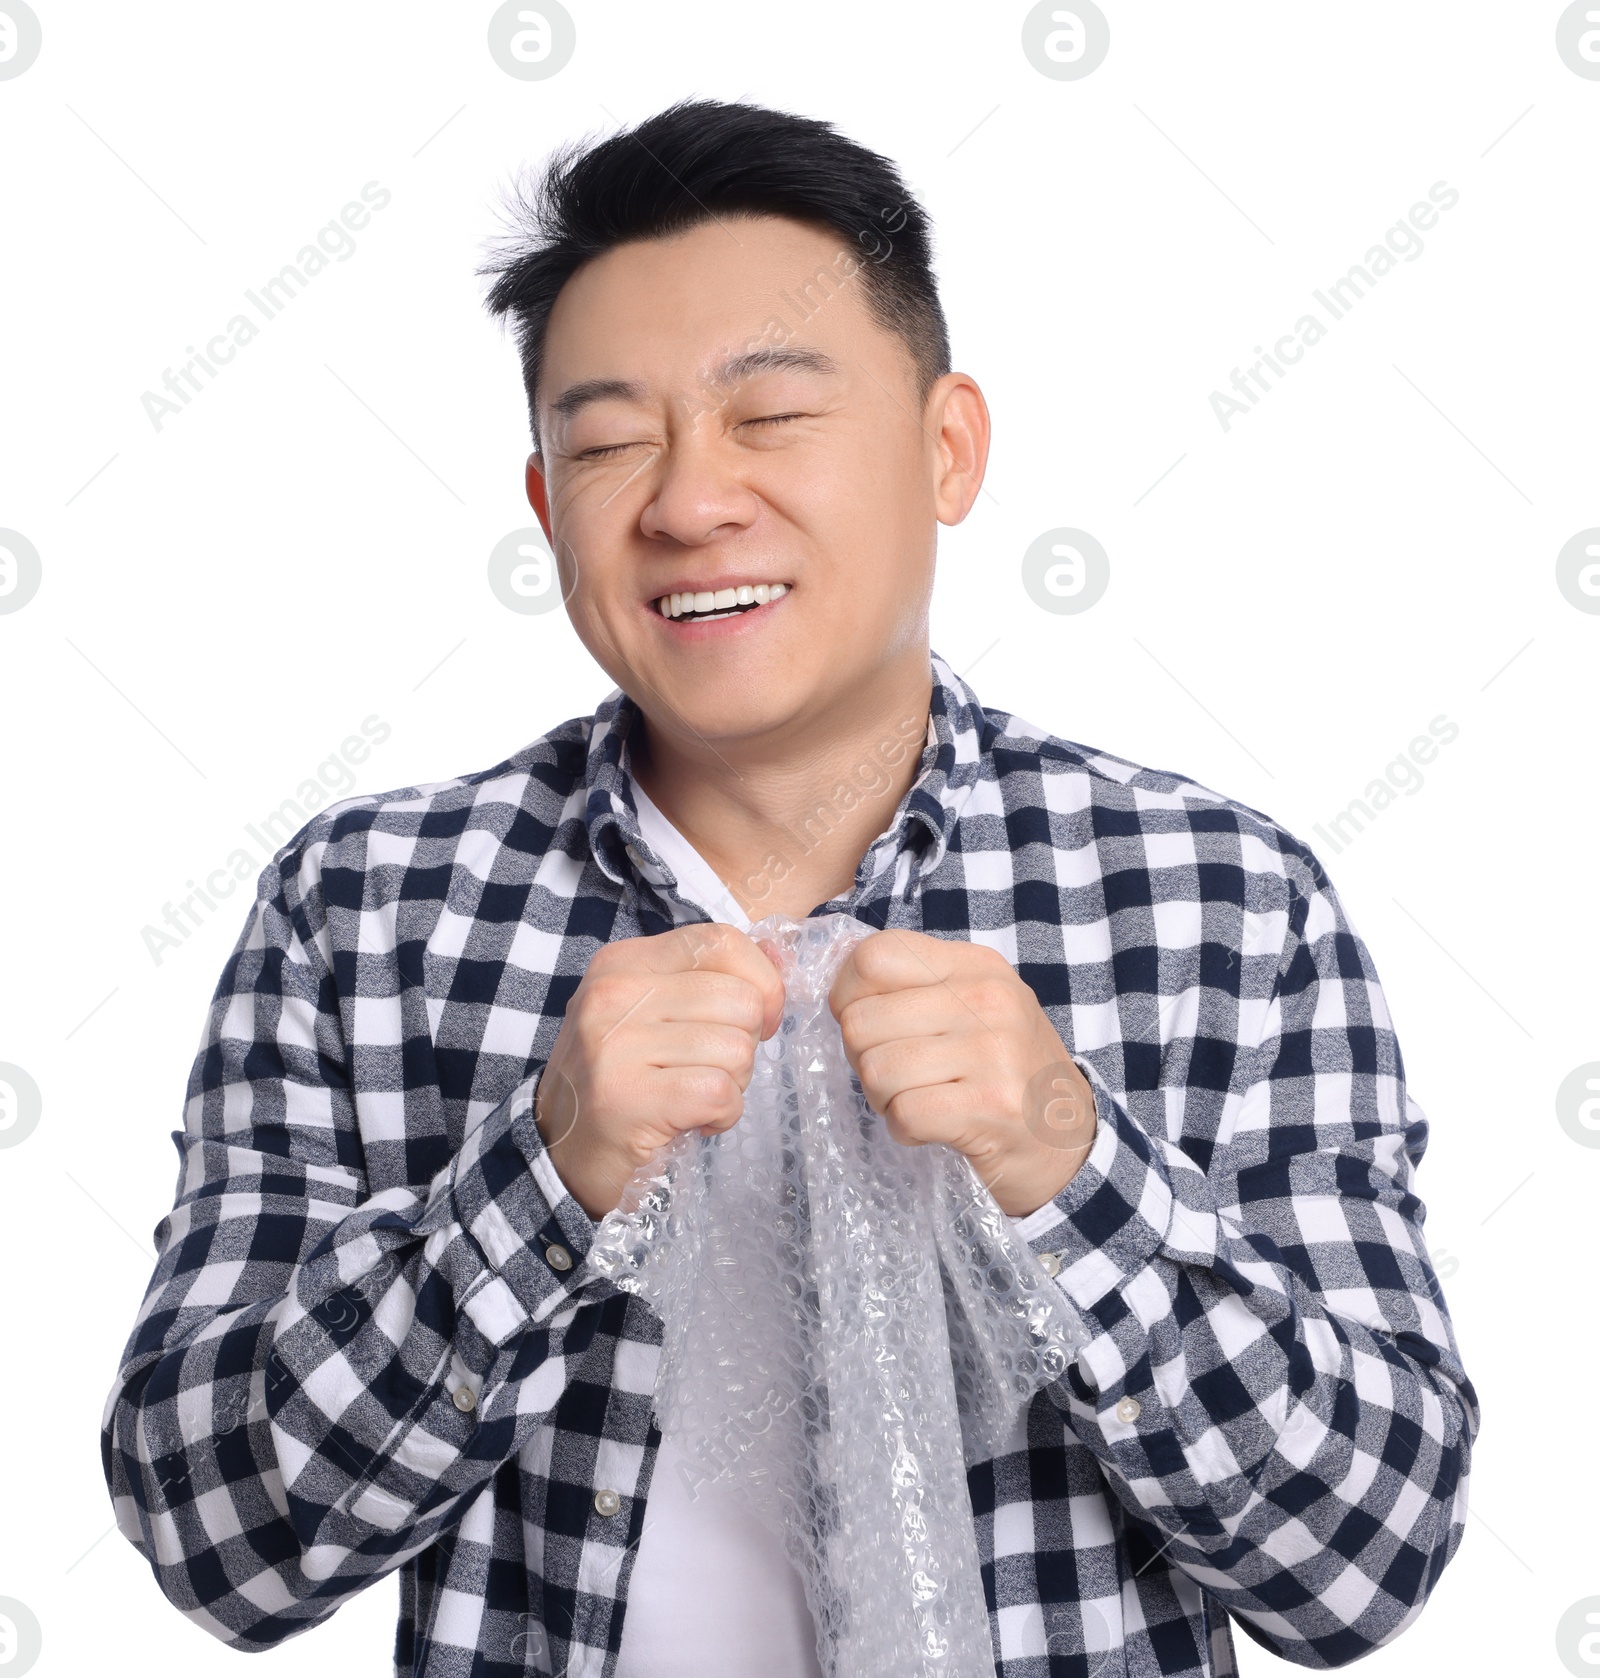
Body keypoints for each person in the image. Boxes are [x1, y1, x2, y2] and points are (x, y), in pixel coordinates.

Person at [101, 98, 1478, 1678]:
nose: (688, 501)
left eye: (769, 416)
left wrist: (1063, 1160)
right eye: (609, 441)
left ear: (946, 448)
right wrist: (537, 1186)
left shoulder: (1219, 903)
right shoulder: (369, 909)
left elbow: (1364, 1564)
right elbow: (219, 1544)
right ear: (549, 507)